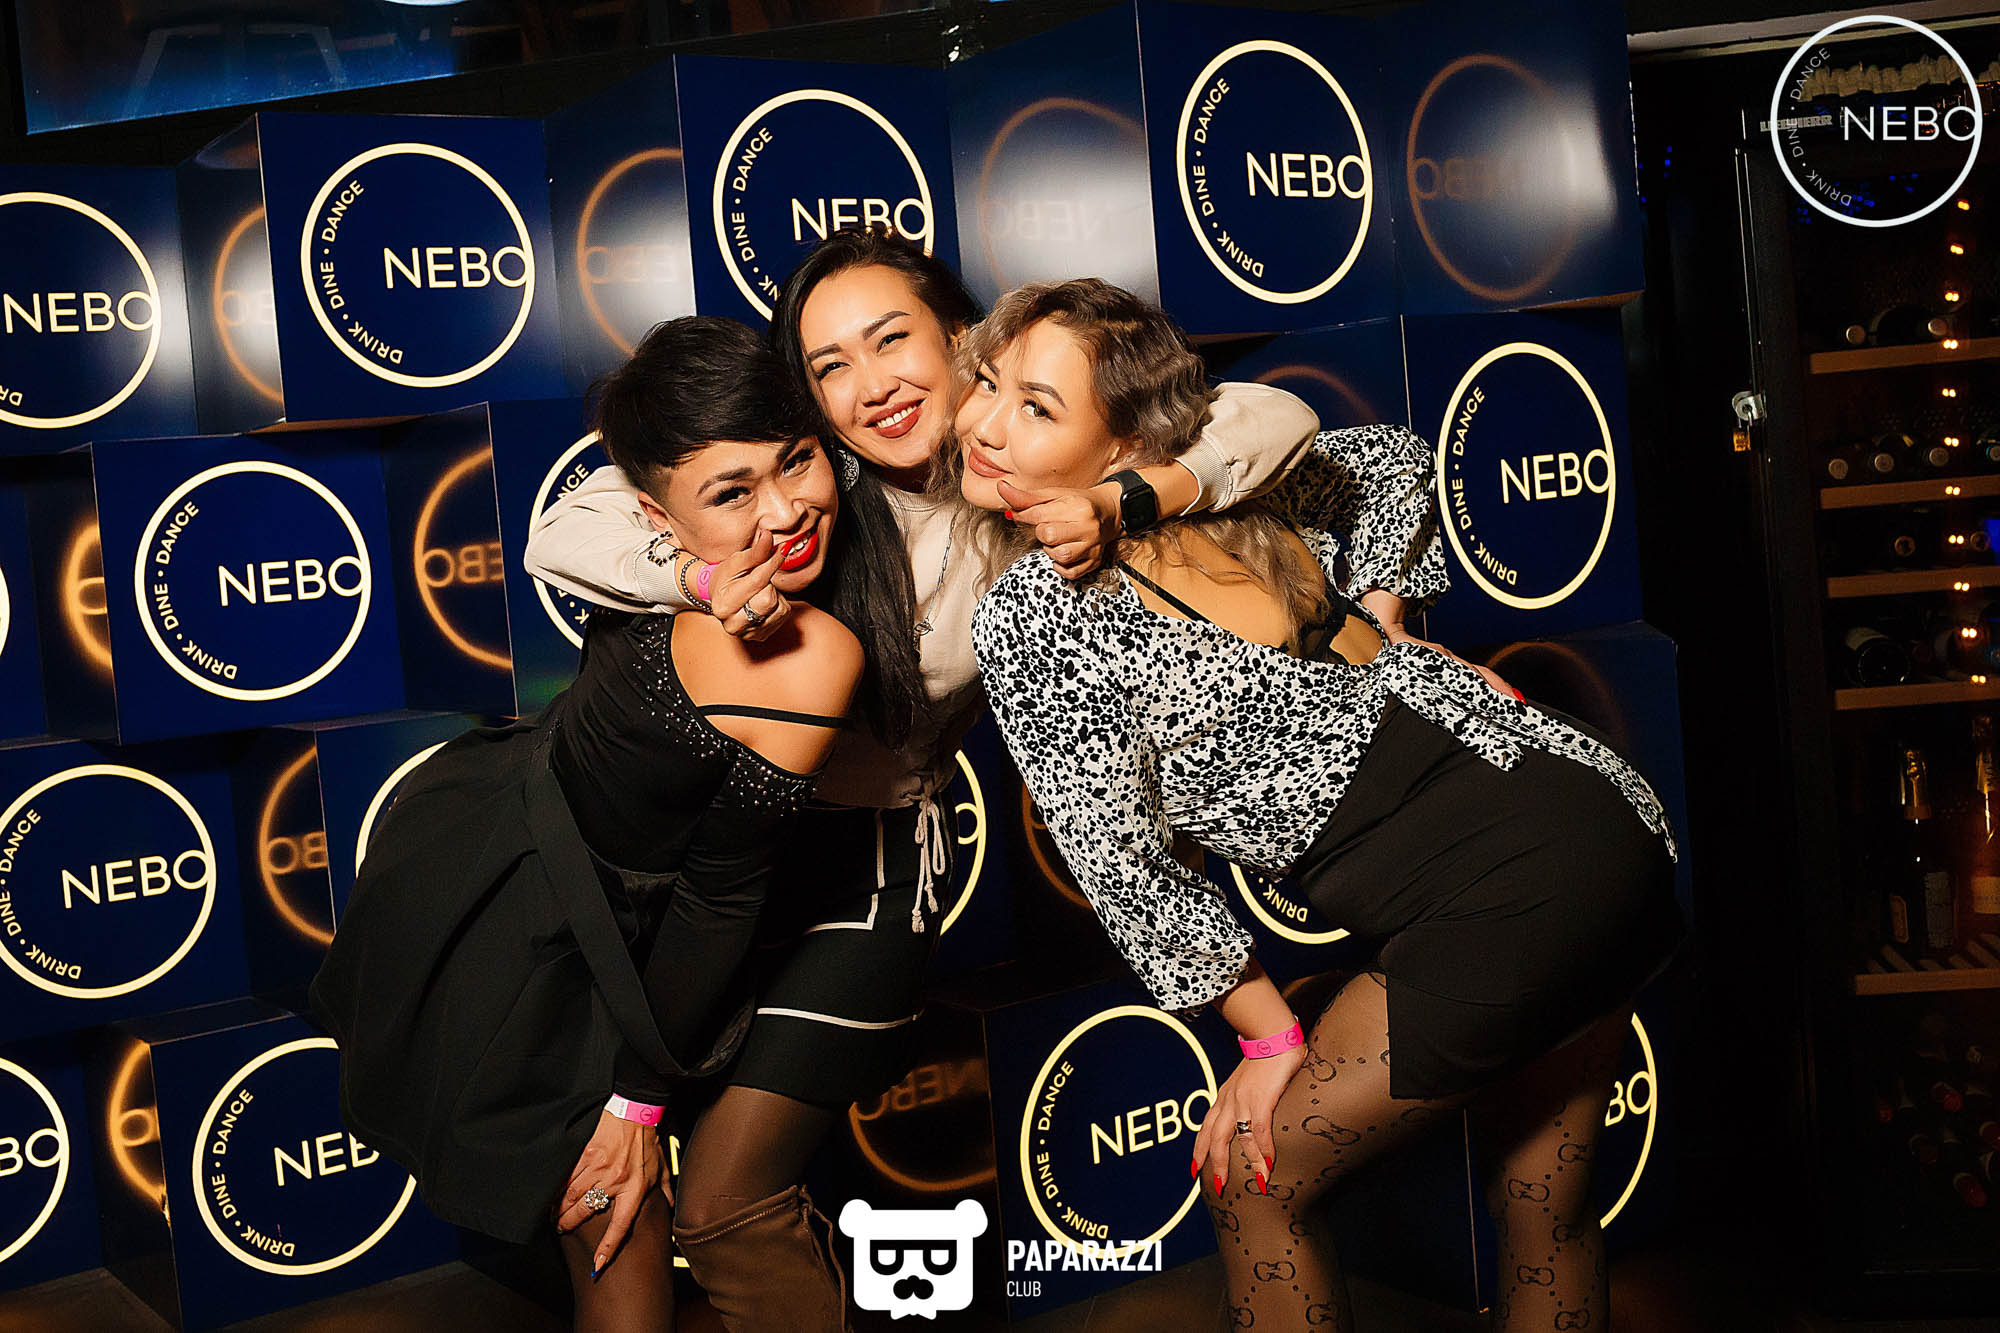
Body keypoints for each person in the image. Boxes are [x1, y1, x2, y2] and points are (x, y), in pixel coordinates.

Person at [959, 279, 1683, 1333]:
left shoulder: (1037, 610)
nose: (982, 424)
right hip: (1598, 817)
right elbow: (1395, 459)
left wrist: (1266, 1041)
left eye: (1035, 406)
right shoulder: (1244, 493)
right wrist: (1385, 630)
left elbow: (1124, 867)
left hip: (1502, 888)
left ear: (1126, 448)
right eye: (987, 383)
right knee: (1541, 1205)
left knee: (1253, 1189)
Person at [313, 316, 906, 1333]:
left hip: (568, 895)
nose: (785, 511)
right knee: (612, 1232)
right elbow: (719, 896)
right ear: (655, 513)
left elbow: (716, 891)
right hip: (523, 913)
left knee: (613, 1230)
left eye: (797, 461)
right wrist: (637, 1101)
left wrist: (635, 1100)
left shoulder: (798, 632)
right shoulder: (708, 590)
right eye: (732, 492)